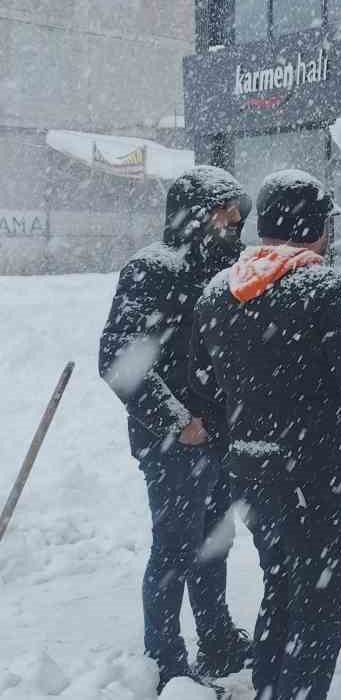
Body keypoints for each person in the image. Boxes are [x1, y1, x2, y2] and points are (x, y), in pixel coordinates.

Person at [188, 169, 341, 700]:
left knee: (282, 590)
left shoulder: (219, 293)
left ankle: (270, 690)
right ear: (313, 225)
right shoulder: (328, 289)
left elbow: (203, 394)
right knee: (320, 611)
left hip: (254, 476)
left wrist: (241, 448)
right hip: (326, 481)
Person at [98, 166, 255, 694]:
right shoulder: (151, 270)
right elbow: (120, 359)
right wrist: (177, 421)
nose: (231, 225)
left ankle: (216, 639)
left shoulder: (231, 269)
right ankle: (165, 660)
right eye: (222, 214)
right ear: (194, 214)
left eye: (236, 217)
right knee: (173, 549)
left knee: (214, 542)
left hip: (221, 436)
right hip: (172, 441)